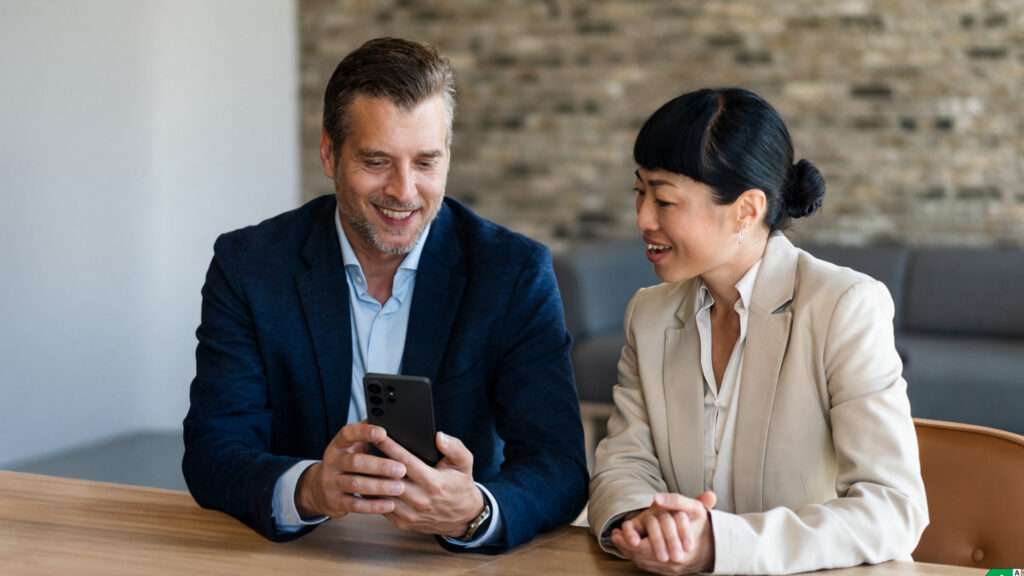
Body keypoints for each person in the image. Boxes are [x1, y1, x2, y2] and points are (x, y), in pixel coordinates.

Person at [183, 37, 588, 553]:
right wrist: (311, 488)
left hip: (444, 563)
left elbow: (560, 466)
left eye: (426, 162)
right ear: (330, 154)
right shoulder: (250, 266)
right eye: (376, 162)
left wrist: (475, 511)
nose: (403, 191)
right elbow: (213, 450)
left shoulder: (512, 274)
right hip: (298, 556)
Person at [588, 88, 928, 574]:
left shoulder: (843, 307)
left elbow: (893, 509)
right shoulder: (649, 314)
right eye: (639, 192)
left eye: (664, 199)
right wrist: (646, 519)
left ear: (747, 210)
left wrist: (720, 545)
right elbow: (623, 463)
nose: (643, 218)